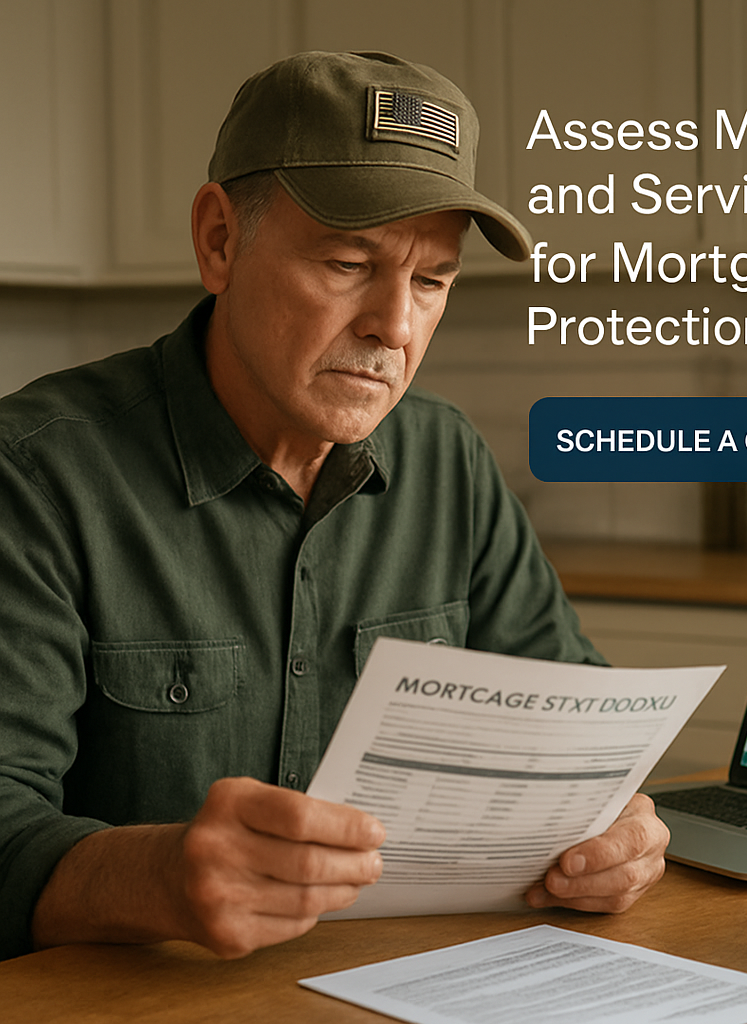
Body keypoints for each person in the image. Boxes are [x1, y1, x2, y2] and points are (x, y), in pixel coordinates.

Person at [0, 51, 669, 962]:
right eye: (351, 262)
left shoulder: (448, 460)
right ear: (220, 241)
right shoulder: (36, 475)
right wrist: (157, 877)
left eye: (431, 280)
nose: (394, 325)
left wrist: (618, 832)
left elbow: (579, 744)